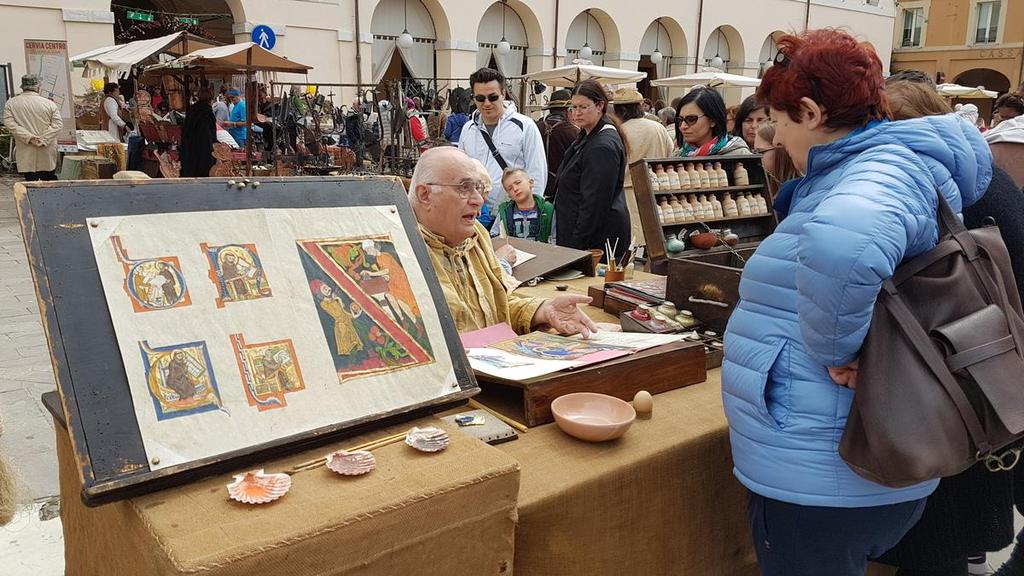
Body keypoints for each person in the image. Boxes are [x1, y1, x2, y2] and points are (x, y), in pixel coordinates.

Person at [723, 29, 992, 576]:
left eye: (779, 121)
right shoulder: (884, 167)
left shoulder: (872, 174)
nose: (777, 138)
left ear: (811, 111)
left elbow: (846, 244)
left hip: (824, 465)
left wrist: (834, 349)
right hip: (837, 454)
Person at [878, 76, 1020, 576]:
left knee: (938, 517)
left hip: (953, 361)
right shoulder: (976, 165)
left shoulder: (925, 179)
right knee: (962, 509)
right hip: (987, 355)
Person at [409, 146, 597, 336]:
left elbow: (497, 307)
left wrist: (543, 311)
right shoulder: (397, 251)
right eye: (464, 188)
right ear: (425, 195)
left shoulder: (476, 235)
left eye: (478, 188)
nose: (478, 200)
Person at [552, 79, 630, 261]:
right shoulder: (589, 134)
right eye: (573, 107)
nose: (577, 113)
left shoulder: (601, 146)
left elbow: (594, 203)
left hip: (596, 241)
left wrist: (577, 246)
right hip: (587, 235)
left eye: (583, 107)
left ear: (599, 106)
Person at [459, 67, 547, 217]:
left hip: (511, 213)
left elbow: (536, 172)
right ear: (474, 98)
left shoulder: (525, 126)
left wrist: (527, 212)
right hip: (476, 212)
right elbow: (462, 169)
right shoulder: (468, 128)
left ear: (503, 94)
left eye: (492, 97)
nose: (486, 103)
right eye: (480, 98)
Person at [614, 87, 674, 246]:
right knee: (655, 239)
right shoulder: (658, 127)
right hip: (657, 189)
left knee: (634, 240)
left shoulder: (620, 131)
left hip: (629, 191)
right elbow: (670, 153)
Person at [2, 75, 62, 181]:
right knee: (49, 181)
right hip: (46, 149)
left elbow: (10, 124)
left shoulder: (11, 104)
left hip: (26, 150)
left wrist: (29, 138)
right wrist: (43, 139)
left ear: (22, 87)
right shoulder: (49, 104)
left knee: (30, 183)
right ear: (38, 87)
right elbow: (57, 125)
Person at [674, 87, 751, 156]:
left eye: (691, 119)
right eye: (680, 120)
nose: (683, 126)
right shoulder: (678, 155)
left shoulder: (739, 155)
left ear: (712, 120)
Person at [535, 88, 579, 201]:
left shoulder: (534, 127)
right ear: (567, 110)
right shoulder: (574, 132)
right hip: (564, 191)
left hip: (536, 186)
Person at [490, 167, 556, 243]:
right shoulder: (504, 212)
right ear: (509, 195)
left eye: (518, 183)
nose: (515, 189)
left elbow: (555, 239)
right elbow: (494, 236)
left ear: (531, 183)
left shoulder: (548, 210)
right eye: (510, 188)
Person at [752, 121, 798, 201]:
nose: (755, 158)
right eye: (754, 152)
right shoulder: (764, 186)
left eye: (760, 152)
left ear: (780, 150)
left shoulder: (798, 190)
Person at [179, 90, 217, 178]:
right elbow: (209, 136)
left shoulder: (192, 111)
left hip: (189, 149)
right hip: (204, 150)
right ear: (210, 100)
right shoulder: (207, 113)